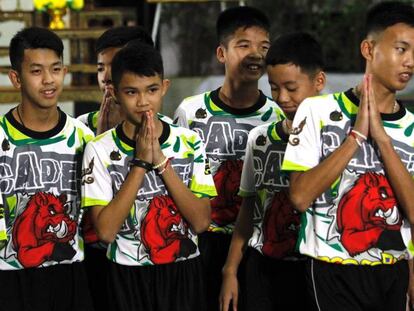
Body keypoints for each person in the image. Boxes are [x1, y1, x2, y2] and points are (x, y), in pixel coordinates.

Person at [282, 2, 414, 310]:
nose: (409, 62)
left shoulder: (411, 128)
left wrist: (382, 139)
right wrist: (355, 138)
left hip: (392, 268)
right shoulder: (316, 111)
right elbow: (299, 197)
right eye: (401, 49)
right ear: (368, 49)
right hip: (332, 268)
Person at [81, 42, 217, 311]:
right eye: (132, 92)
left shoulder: (190, 142)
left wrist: (161, 161)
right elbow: (106, 232)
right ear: (116, 93)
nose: (143, 102)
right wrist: (141, 162)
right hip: (126, 275)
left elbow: (201, 222)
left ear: (164, 87)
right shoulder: (99, 149)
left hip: (183, 272)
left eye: (152, 90)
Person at [173, 6, 282, 310]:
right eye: (244, 45)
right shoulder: (190, 111)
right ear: (222, 53)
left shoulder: (277, 115)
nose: (256, 55)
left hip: (255, 245)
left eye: (264, 47)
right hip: (201, 242)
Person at [219, 32, 326, 311]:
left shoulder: (339, 142)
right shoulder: (261, 139)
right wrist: (230, 270)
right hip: (263, 269)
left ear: (319, 82)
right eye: (274, 88)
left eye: (291, 87)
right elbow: (248, 208)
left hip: (316, 269)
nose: (282, 98)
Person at [0, 27, 94, 310]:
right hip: (9, 279)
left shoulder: (83, 137)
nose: (48, 80)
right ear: (16, 78)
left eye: (55, 69)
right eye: (36, 71)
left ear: (64, 70)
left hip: (70, 275)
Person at [77, 25, 154, 135]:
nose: (105, 78)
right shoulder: (81, 127)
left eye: (116, 66)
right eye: (100, 68)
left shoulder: (173, 133)